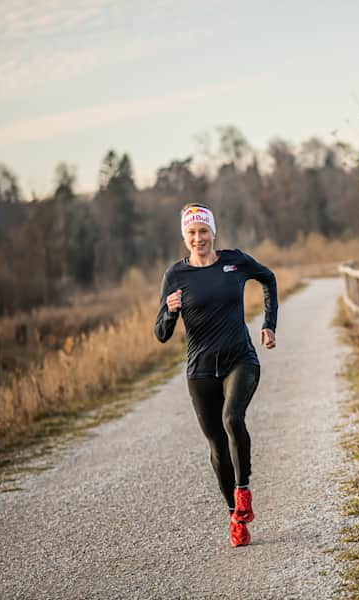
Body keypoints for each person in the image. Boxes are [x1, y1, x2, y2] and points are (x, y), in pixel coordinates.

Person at [154, 202, 278, 547]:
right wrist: (169, 311)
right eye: (192, 233)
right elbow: (161, 333)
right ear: (185, 236)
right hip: (201, 371)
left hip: (241, 359)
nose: (198, 238)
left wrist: (269, 325)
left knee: (232, 418)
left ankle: (243, 492)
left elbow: (268, 278)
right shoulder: (175, 277)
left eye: (203, 231)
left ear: (213, 232)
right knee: (217, 447)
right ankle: (234, 516)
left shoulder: (234, 261)